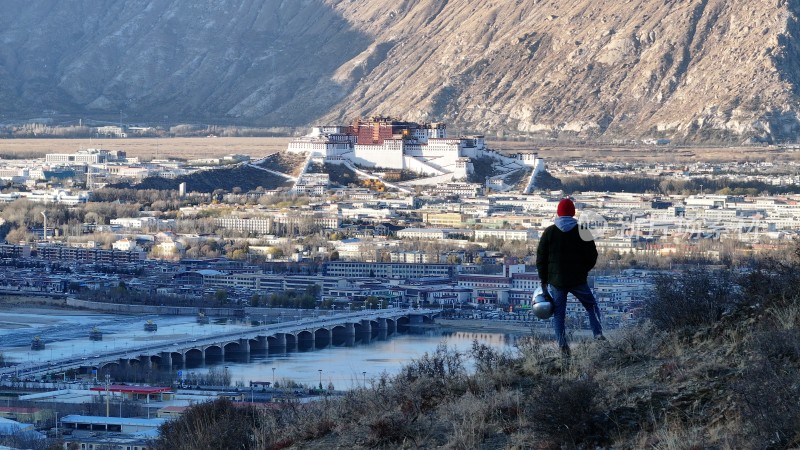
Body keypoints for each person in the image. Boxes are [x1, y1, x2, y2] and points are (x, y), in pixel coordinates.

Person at [536, 198, 605, 356]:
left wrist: (544, 279)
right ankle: (598, 336)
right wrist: (583, 271)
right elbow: (592, 256)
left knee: (559, 313)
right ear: (573, 213)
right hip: (577, 280)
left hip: (556, 281)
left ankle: (562, 346)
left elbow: (541, 259)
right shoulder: (583, 231)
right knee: (591, 307)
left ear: (558, 213)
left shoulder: (549, 232)